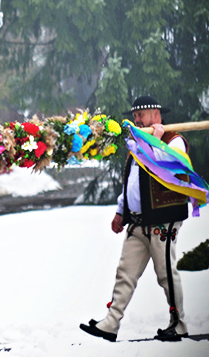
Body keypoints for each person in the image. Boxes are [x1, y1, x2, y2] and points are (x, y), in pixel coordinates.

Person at [80, 95, 190, 343]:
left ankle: (179, 324)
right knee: (125, 272)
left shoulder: (174, 141)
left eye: (141, 115)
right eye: (135, 115)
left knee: (165, 273)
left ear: (156, 115)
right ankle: (111, 323)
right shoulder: (138, 144)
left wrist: (155, 141)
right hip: (138, 221)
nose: (137, 119)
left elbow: (166, 166)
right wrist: (121, 211)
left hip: (163, 220)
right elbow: (130, 181)